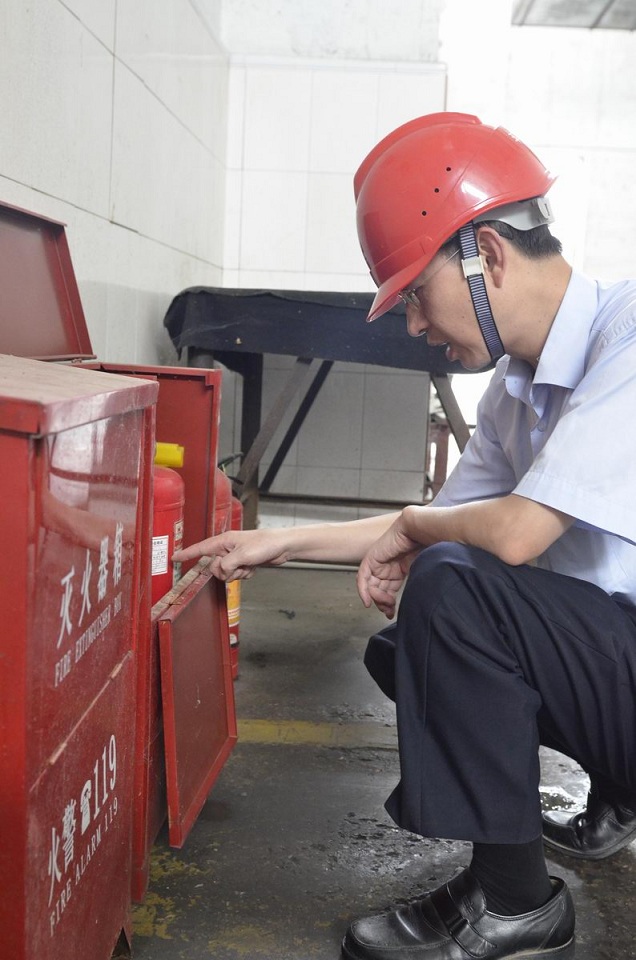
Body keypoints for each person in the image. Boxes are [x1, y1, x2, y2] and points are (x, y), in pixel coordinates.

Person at [173, 112, 636, 960]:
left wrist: (424, 535)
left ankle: (518, 906)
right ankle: (587, 815)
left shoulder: (630, 334)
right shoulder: (514, 395)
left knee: (455, 592)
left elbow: (514, 534)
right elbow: (430, 530)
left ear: (487, 253)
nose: (416, 327)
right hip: (620, 662)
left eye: (417, 295)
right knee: (412, 643)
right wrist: (271, 544)